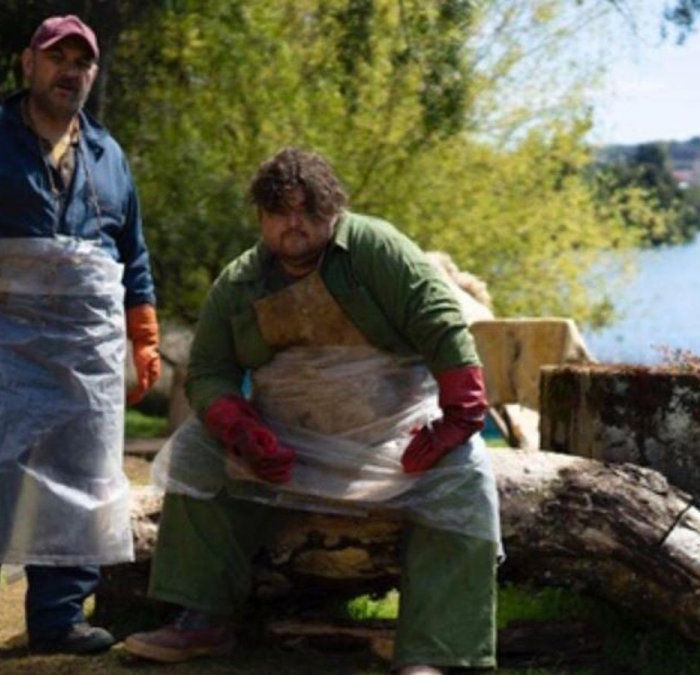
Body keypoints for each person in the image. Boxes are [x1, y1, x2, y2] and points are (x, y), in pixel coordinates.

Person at [124, 147, 500, 675]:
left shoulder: (375, 247)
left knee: (467, 479)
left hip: (395, 439)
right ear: (261, 216)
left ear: (334, 210)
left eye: (309, 210)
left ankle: (433, 651)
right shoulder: (239, 282)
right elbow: (209, 370)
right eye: (280, 211)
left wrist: (461, 412)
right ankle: (202, 618)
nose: (294, 223)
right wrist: (238, 426)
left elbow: (439, 322)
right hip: (285, 445)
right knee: (195, 452)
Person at [0, 15, 160, 675]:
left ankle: (59, 618)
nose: (71, 71)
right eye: (57, 57)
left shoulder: (110, 154)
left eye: (82, 63)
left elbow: (134, 254)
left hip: (86, 354)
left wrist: (144, 335)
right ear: (27, 65)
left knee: (83, 471)